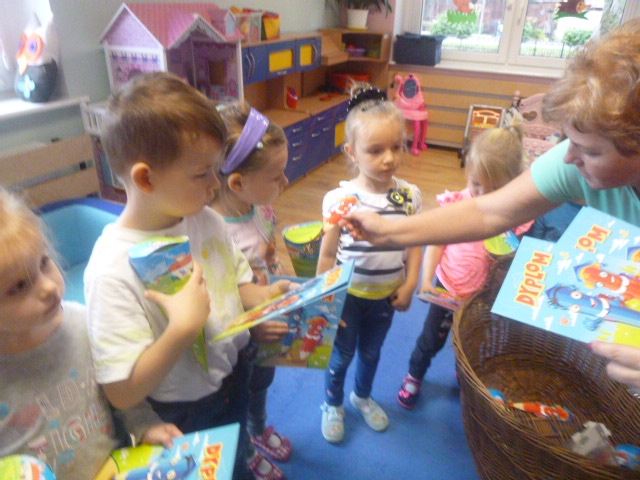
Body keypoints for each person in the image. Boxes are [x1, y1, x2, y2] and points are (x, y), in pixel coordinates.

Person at [343, 19, 640, 391]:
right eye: (569, 142)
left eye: (590, 150)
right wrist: (389, 230)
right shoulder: (573, 162)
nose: (568, 158)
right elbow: (489, 211)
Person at [84, 72, 290, 480]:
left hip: (233, 373)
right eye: (202, 173)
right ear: (146, 178)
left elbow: (237, 283)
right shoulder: (111, 270)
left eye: (216, 169)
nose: (216, 184)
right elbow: (121, 392)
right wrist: (182, 328)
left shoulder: (207, 220)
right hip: (181, 412)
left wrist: (262, 300)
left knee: (236, 456)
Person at [0, 188, 180, 480]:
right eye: (19, 286)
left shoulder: (84, 322)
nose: (48, 287)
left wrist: (145, 425)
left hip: (116, 468)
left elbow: (117, 388)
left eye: (44, 262)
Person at [398, 118, 533, 409]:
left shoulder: (514, 214)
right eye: (476, 185)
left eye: (493, 189)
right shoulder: (458, 206)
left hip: (481, 298)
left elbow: (518, 255)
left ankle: (464, 373)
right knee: (431, 339)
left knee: (473, 344)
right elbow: (436, 243)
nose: (481, 195)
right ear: (468, 174)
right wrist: (426, 280)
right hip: (447, 289)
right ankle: (415, 374)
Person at [316, 85, 423, 443]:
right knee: (341, 355)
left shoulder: (409, 196)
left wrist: (411, 283)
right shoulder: (340, 199)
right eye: (376, 151)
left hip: (385, 296)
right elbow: (327, 253)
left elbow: (415, 241)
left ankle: (361, 396)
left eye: (397, 147)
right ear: (351, 152)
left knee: (371, 352)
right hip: (347, 296)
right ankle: (332, 403)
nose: (389, 159)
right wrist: (324, 297)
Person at [212, 102, 292, 480]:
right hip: (239, 340)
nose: (285, 182)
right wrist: (252, 323)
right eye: (276, 176)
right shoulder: (215, 233)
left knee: (262, 384)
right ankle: (244, 449)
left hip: (267, 323)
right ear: (238, 184)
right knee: (238, 396)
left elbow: (266, 254)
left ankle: (258, 429)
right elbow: (218, 302)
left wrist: (272, 260)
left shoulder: (261, 208)